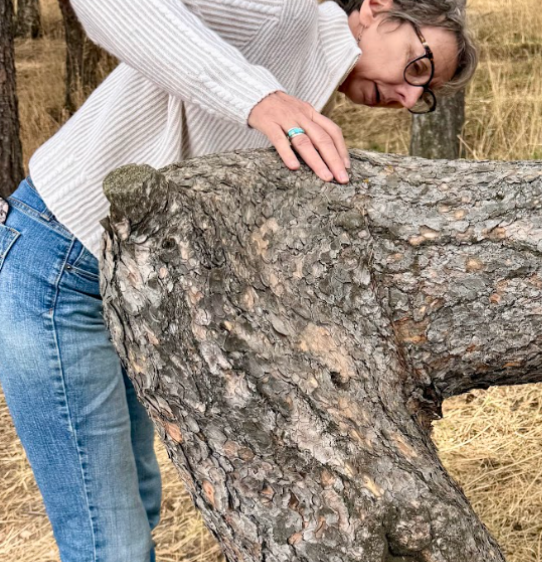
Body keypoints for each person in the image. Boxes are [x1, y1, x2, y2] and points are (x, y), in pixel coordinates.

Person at [0, 0, 477, 560]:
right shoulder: (282, 11)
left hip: (123, 289)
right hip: (59, 269)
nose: (410, 95)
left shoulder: (312, 89)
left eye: (426, 93)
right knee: (107, 539)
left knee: (138, 499)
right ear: (376, 9)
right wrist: (256, 96)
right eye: (418, 67)